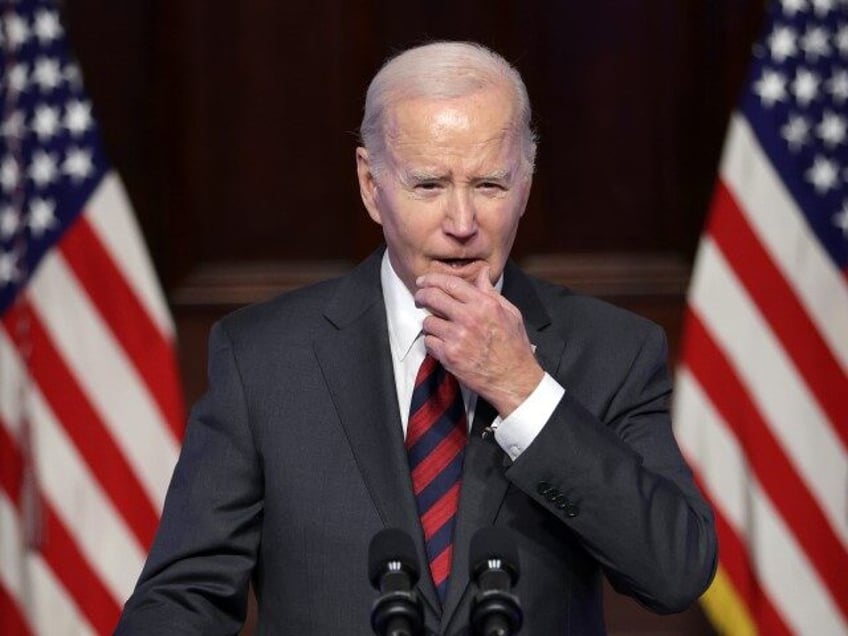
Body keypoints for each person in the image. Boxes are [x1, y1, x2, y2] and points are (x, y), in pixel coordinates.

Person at [115, 41, 717, 635]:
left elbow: (675, 573)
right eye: (428, 185)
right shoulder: (264, 358)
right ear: (371, 186)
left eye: (489, 185)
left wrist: (524, 391)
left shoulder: (613, 351)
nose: (461, 224)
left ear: (527, 184)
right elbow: (182, 602)